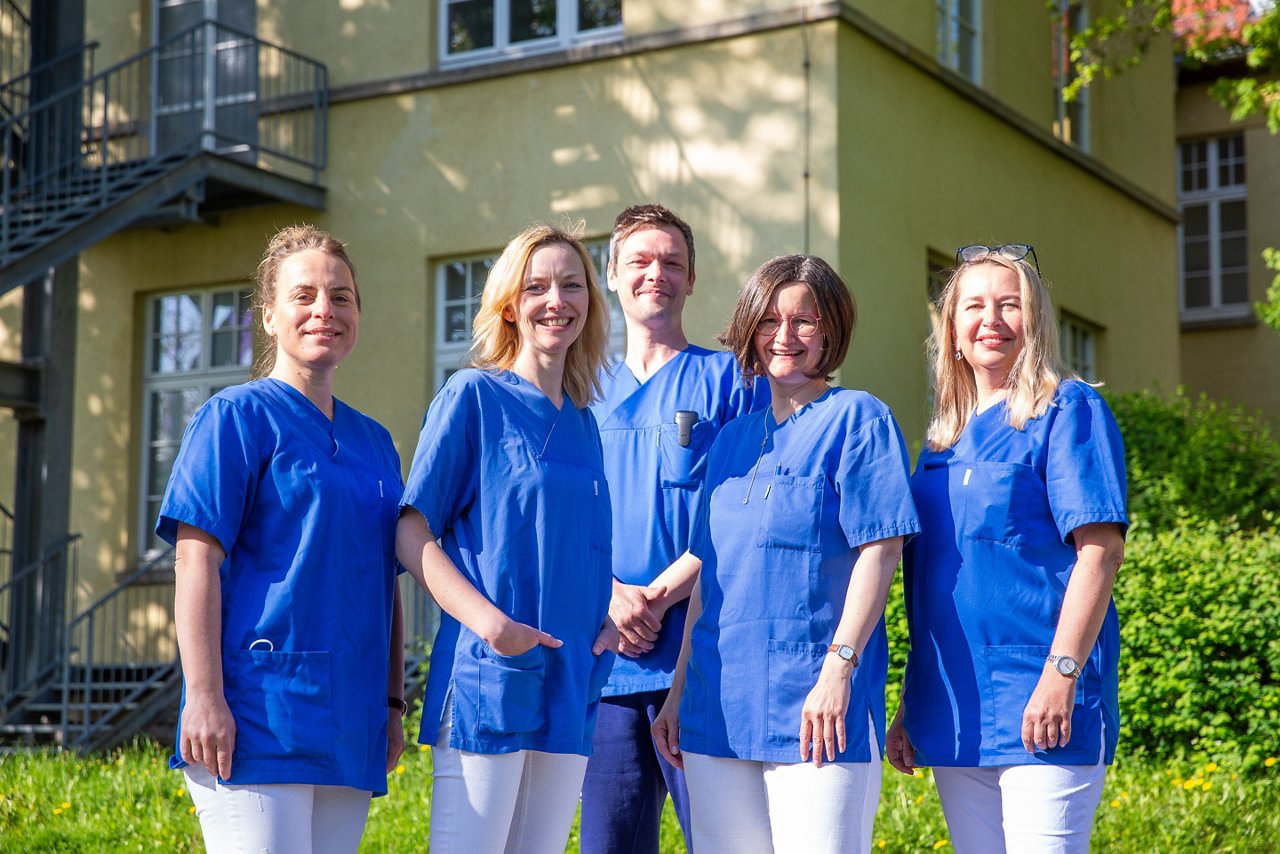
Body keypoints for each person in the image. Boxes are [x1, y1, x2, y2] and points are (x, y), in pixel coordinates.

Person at [652, 255, 920, 853]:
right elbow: (709, 582)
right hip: (716, 707)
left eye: (805, 321)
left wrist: (837, 669)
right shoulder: (729, 442)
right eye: (770, 319)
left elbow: (882, 550)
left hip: (818, 707)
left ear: (831, 331)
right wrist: (677, 693)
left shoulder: (859, 419)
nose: (786, 336)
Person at [158, 225, 406, 853]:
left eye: (341, 296)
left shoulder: (375, 442)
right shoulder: (234, 417)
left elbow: (387, 582)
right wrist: (206, 696)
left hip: (350, 721)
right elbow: (195, 559)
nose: (325, 310)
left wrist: (393, 704)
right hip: (256, 714)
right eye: (304, 296)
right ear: (268, 315)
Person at [886, 243, 1128, 853]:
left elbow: (1100, 551)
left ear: (1035, 321)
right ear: (953, 330)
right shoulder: (940, 443)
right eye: (974, 306)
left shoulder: (1068, 410)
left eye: (1009, 305)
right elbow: (934, 585)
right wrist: (912, 703)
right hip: (954, 707)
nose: (990, 320)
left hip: (1044, 701)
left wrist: (1061, 675)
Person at [396, 222, 618, 853]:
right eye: (538, 286)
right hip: (490, 676)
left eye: (572, 285)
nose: (557, 300)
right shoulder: (473, 397)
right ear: (510, 306)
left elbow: (577, 542)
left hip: (572, 675)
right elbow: (412, 530)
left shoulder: (584, 424)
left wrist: (603, 620)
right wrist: (490, 625)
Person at [580, 204, 766, 854]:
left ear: (691, 279)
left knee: (724, 840)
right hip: (603, 665)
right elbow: (556, 517)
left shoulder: (733, 383)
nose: (655, 273)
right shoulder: (577, 388)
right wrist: (609, 595)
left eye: (671, 263)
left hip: (703, 662)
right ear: (611, 273)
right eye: (639, 260)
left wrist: (656, 598)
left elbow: (748, 515)